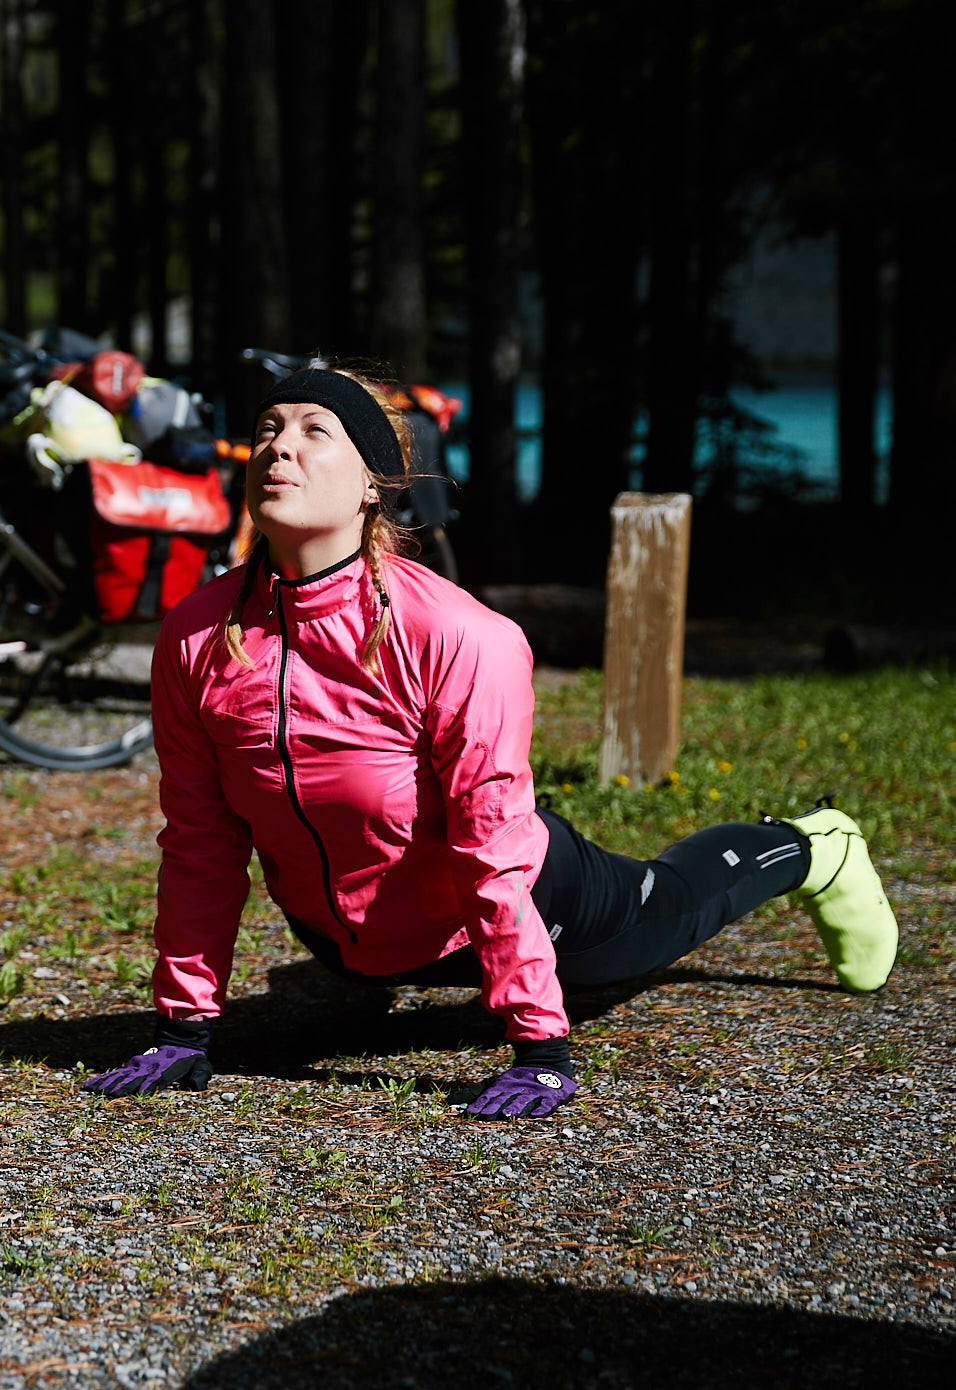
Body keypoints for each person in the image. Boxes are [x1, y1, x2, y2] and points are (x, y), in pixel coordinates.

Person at [84, 368, 899, 1119]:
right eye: (266, 428)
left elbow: (493, 843)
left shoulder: (458, 634)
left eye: (312, 430)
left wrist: (541, 1043)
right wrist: (183, 1027)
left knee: (675, 900)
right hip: (344, 940)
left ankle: (808, 845)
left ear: (373, 483)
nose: (279, 447)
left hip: (539, 906)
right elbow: (200, 840)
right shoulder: (201, 633)